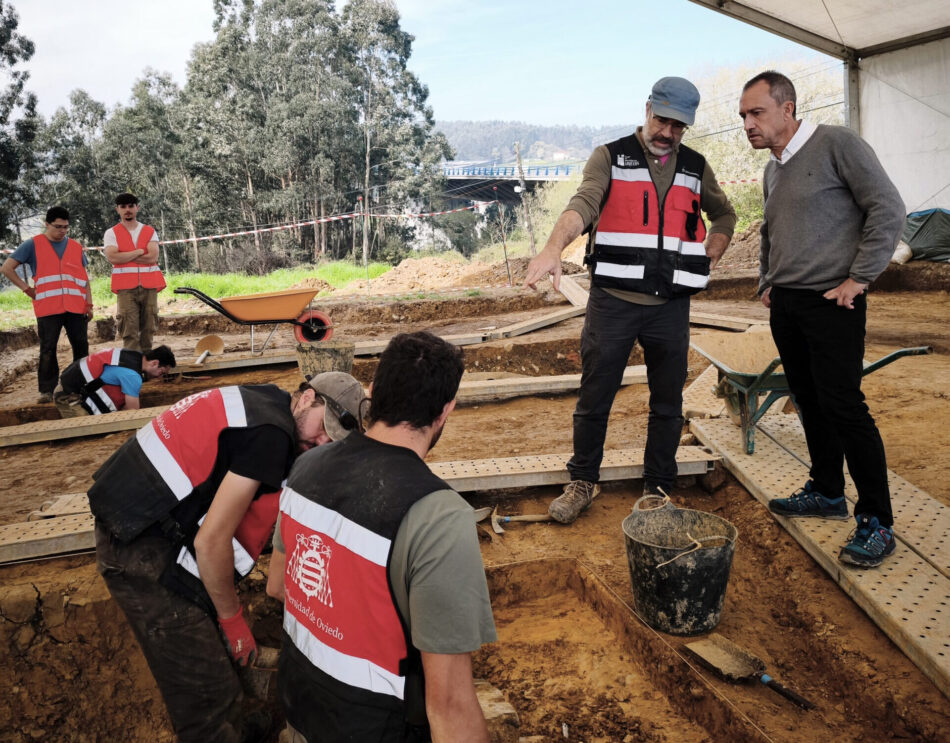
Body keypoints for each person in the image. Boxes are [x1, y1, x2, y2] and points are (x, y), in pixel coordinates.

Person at [87, 372, 364, 743]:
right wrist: (233, 620)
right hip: (138, 547)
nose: (320, 441)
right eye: (322, 428)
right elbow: (211, 542)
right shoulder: (272, 436)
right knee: (206, 696)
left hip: (138, 515)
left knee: (213, 663)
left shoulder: (262, 401)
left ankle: (238, 728)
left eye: (331, 439)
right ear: (306, 397)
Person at [523, 77, 736, 524]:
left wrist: (714, 247)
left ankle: (659, 487)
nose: (668, 132)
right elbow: (583, 205)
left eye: (679, 126)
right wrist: (552, 248)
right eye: (662, 120)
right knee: (595, 396)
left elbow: (724, 213)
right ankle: (583, 480)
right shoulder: (610, 157)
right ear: (646, 110)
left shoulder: (695, 166)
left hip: (671, 306)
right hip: (613, 303)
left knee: (667, 403)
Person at [268, 331, 496, 743]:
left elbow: (277, 585)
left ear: (372, 393)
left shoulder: (305, 468)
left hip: (300, 709)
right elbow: (449, 706)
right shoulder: (439, 517)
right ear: (445, 411)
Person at [739, 71, 906, 568]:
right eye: (743, 116)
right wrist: (768, 279)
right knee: (808, 400)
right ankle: (828, 491)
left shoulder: (838, 145)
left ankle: (877, 521)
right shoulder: (773, 169)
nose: (747, 124)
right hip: (788, 304)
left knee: (844, 406)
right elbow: (771, 230)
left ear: (787, 108)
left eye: (756, 113)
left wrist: (860, 278)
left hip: (834, 303)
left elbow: (888, 209)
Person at [1, 206, 93, 404]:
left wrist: (89, 303)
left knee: (81, 346)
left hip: (76, 306)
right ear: (47, 224)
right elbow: (7, 268)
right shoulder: (32, 245)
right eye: (58, 227)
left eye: (65, 227)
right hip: (48, 307)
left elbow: (84, 278)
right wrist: (27, 289)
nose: (62, 231)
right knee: (48, 348)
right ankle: (47, 390)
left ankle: (81, 385)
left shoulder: (75, 247)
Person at [103, 192, 165, 352]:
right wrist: (138, 252)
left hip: (149, 286)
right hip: (125, 288)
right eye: (123, 207)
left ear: (137, 207)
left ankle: (146, 365)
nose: (127, 210)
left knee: (148, 328)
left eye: (131, 206)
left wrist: (125, 255)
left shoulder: (149, 231)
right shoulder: (111, 233)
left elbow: (152, 257)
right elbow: (112, 257)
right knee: (128, 330)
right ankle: (132, 369)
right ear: (117, 209)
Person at [54, 344, 177, 417]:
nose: (160, 377)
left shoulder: (133, 356)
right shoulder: (133, 376)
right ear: (154, 363)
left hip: (69, 385)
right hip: (67, 397)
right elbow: (132, 411)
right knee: (93, 432)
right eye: (162, 372)